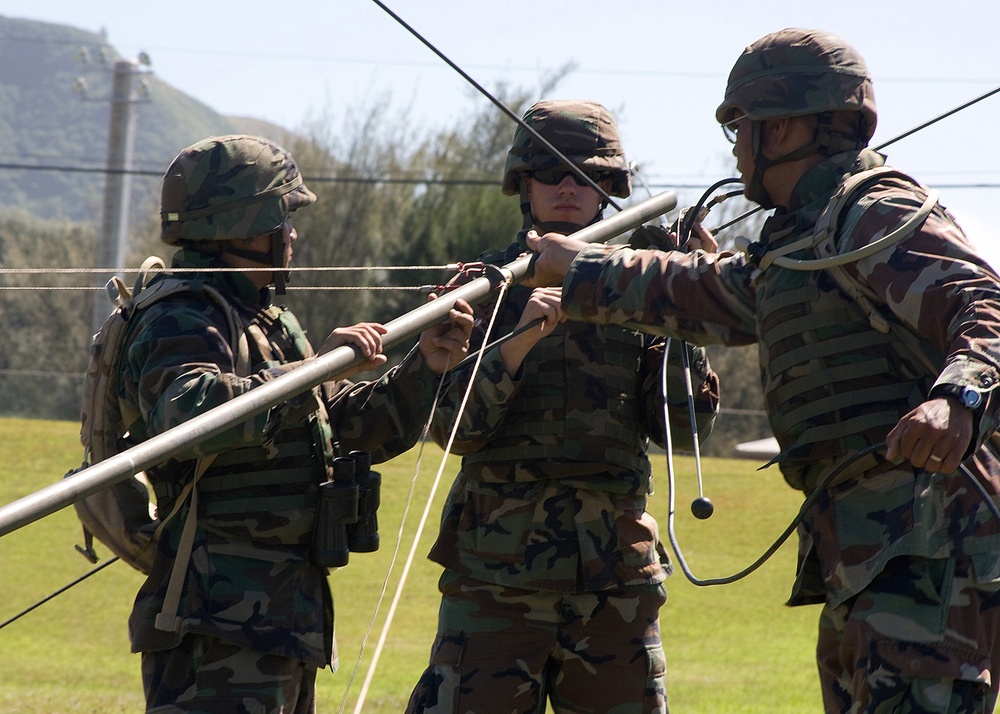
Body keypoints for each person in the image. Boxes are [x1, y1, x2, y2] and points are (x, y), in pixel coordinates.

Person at [527, 29, 1000, 713]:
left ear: (777, 130)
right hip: (870, 551)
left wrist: (958, 397)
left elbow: (982, 301)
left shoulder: (870, 209)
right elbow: (710, 293)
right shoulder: (805, 238)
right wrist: (584, 268)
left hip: (933, 551)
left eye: (740, 128)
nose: (738, 148)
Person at [120, 134, 474, 713]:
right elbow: (187, 413)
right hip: (214, 620)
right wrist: (308, 371)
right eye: (282, 216)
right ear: (245, 224)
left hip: (284, 615)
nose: (292, 233)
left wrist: (424, 367)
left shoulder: (267, 318)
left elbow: (353, 428)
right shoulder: (181, 313)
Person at [406, 100, 720, 714]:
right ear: (524, 185)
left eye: (588, 174)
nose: (570, 186)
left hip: (615, 582)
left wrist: (688, 299)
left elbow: (685, 429)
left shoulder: (644, 288)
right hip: (497, 581)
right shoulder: (480, 289)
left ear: (610, 188)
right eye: (552, 173)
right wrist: (518, 339)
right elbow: (456, 432)